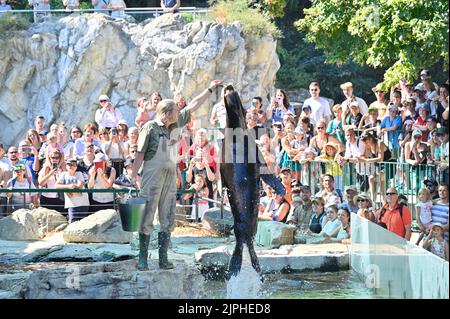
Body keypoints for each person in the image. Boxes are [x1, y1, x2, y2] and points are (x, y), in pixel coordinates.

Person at [131, 79, 222, 271]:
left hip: (170, 174)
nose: (179, 112)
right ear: (166, 113)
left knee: (168, 214)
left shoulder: (177, 121)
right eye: (175, 110)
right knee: (147, 214)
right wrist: (133, 175)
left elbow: (195, 103)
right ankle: (143, 258)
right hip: (152, 174)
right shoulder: (150, 127)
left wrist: (210, 89)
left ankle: (163, 258)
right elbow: (140, 153)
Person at [56, 158, 90, 223]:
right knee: (72, 223)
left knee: (84, 224)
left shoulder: (79, 173)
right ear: (66, 166)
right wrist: (68, 186)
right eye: (69, 165)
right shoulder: (63, 174)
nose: (71, 166)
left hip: (83, 203)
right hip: (71, 204)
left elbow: (80, 185)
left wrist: (69, 189)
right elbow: (57, 186)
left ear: (76, 167)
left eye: (73, 165)